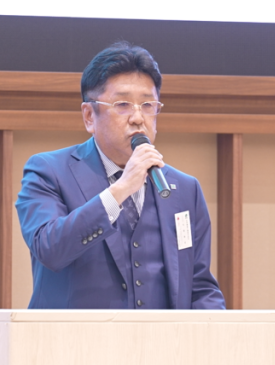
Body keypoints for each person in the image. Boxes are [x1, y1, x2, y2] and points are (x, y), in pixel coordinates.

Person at [16, 42, 225, 309]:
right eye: (123, 104)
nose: (138, 118)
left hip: (159, 336)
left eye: (148, 105)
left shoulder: (184, 189)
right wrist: (121, 189)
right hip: (74, 335)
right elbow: (49, 249)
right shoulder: (48, 171)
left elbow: (198, 285)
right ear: (89, 116)